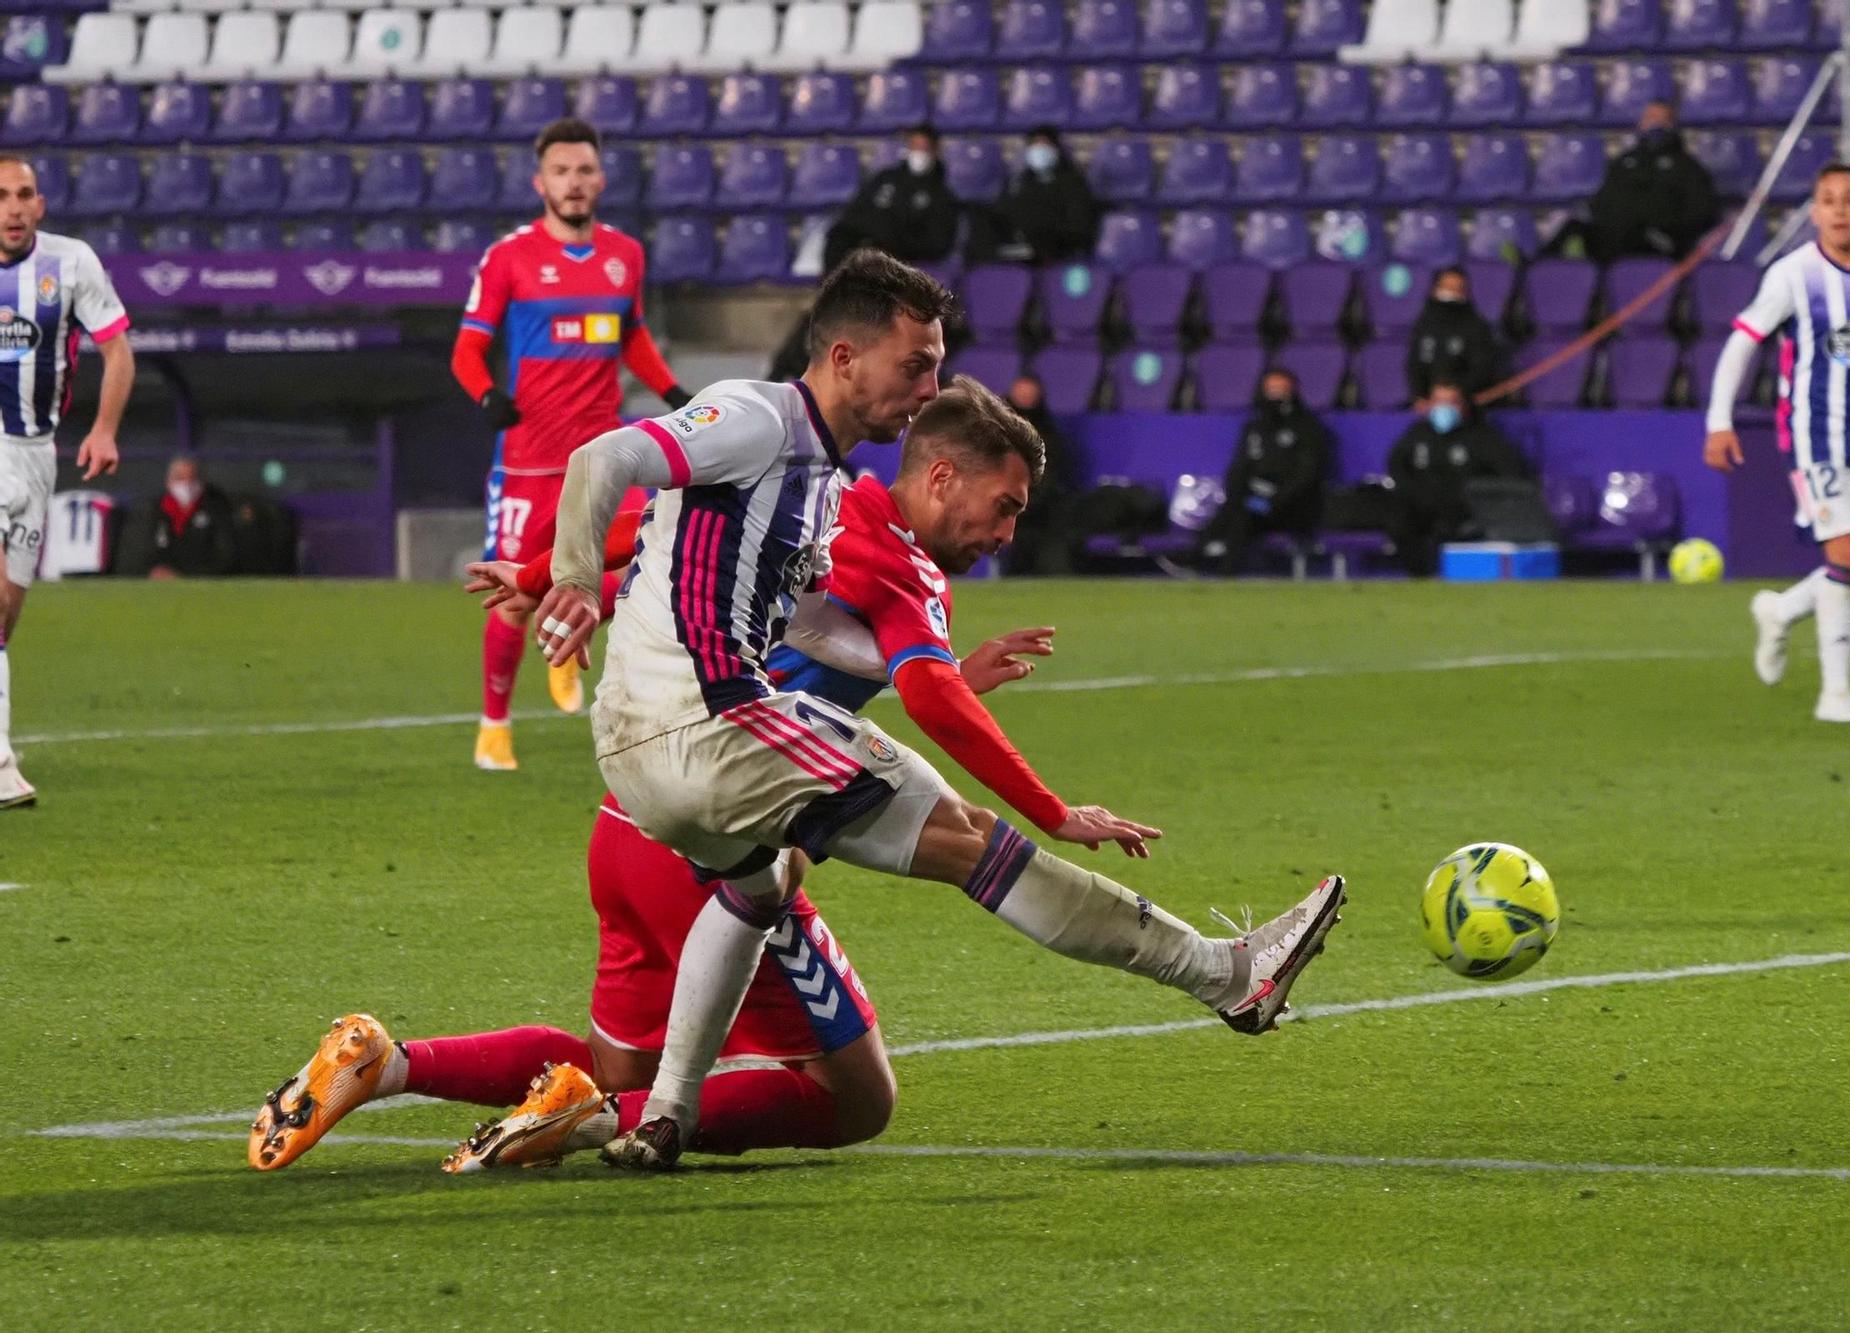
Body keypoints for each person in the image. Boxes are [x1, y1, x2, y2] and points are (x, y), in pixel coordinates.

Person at [529, 251, 1345, 1171]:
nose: (930, 387)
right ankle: (1226, 976)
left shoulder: (825, 489)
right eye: (915, 364)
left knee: (758, 886)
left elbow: (739, 578)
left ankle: (666, 1114)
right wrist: (564, 578)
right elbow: (607, 454)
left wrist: (549, 581)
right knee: (967, 836)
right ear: (843, 357)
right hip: (709, 725)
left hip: (642, 760)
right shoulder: (760, 419)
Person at [248, 394, 1091, 1174]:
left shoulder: (796, 522)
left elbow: (663, 557)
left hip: (630, 824)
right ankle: (602, 1120)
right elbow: (898, 693)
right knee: (858, 1097)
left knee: (613, 1060)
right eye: (1007, 507)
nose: (1005, 532)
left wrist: (544, 571)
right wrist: (1039, 796)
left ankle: (383, 1062)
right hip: (718, 842)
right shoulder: (863, 533)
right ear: (942, 475)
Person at [451, 116, 690, 773]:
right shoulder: (508, 258)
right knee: (512, 593)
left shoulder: (625, 256)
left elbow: (632, 336)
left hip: (606, 453)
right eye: (561, 171)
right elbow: (468, 349)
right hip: (529, 458)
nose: (574, 182)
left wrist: (670, 394)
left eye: (584, 170)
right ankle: (493, 725)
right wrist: (487, 396)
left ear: (600, 179)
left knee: (647, 564)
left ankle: (570, 625)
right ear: (541, 182)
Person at [1703, 162, 1850, 724]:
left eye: (1849, 199)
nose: (1839, 209)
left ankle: (1781, 611)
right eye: (1828, 200)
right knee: (1842, 556)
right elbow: (1742, 344)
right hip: (1812, 434)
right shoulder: (1792, 275)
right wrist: (1720, 419)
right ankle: (1836, 695)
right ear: (1814, 213)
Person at [0, 154, 132, 811]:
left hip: (35, 453)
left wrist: (104, 430)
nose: (13, 208)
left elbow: (117, 349)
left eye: (24, 195)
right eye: (1, 196)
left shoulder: (71, 262)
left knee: (5, 617)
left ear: (41, 204)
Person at [1384, 378, 1533, 576]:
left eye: (1451, 402)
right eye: (1439, 401)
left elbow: (1509, 472)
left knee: (1447, 529)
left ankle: (1449, 577)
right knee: (1399, 521)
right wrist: (1413, 492)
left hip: (1463, 507)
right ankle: (1418, 577)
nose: (1443, 408)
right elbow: (1397, 465)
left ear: (1464, 405)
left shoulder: (1483, 437)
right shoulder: (1418, 433)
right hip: (1422, 503)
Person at [1203, 369, 1332, 577]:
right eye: (1271, 390)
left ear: (1293, 391)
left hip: (1292, 508)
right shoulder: (1255, 427)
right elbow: (1239, 468)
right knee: (1239, 509)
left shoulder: (1308, 428)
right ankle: (1215, 566)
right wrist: (1240, 493)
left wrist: (1275, 499)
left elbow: (1308, 475)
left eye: (1281, 390)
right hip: (1257, 504)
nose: (1275, 396)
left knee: (1242, 512)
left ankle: (1206, 562)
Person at [1580, 101, 1720, 263]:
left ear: (1672, 124)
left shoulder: (1688, 167)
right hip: (1615, 239)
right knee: (1572, 230)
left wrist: (1670, 232)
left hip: (1660, 242)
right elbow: (1601, 202)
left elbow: (1701, 212)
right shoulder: (1624, 162)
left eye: (1660, 119)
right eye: (1649, 118)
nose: (1654, 123)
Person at [823, 124, 960, 272]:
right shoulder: (885, 178)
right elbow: (857, 210)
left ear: (935, 151)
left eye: (923, 148)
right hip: (868, 241)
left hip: (902, 250)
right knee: (839, 236)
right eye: (914, 146)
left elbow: (936, 242)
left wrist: (895, 234)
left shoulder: (941, 193)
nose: (918, 153)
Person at [979, 126, 1100, 265]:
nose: (1039, 150)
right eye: (1034, 145)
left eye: (1044, 145)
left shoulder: (1073, 183)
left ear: (1056, 149)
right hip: (1021, 245)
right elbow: (1003, 212)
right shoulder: (1019, 182)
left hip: (1056, 246)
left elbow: (1079, 224)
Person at [1000, 373, 1081, 575]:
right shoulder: (993, 435)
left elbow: (1050, 479)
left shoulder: (1049, 437)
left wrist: (1024, 504)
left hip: (1040, 510)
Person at [1406, 266, 1501, 406]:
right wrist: (1420, 396)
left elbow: (1481, 369)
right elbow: (1414, 364)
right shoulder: (1423, 325)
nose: (1451, 293)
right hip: (1428, 406)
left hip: (1466, 406)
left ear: (1466, 293)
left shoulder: (1477, 327)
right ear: (1434, 289)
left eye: (1457, 288)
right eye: (1447, 287)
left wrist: (1457, 392)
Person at [143, 455, 235, 579]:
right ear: (168, 481)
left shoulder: (217, 508)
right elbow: (148, 552)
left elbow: (225, 555)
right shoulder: (157, 510)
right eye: (180, 478)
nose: (187, 484)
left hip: (204, 580)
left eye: (192, 478)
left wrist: (185, 576)